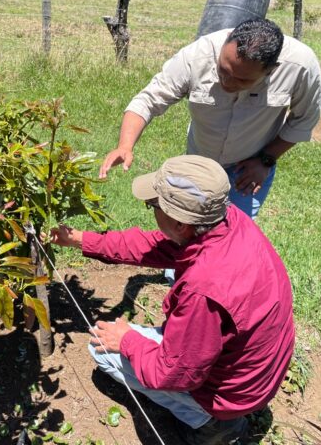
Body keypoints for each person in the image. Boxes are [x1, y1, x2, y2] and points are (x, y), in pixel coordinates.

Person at [50, 155, 295, 445]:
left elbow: (172, 374)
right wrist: (82, 239)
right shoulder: (229, 222)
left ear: (180, 223)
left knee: (102, 349)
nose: (151, 209)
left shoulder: (203, 290)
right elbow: (153, 245)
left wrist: (126, 340)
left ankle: (212, 426)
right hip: (256, 373)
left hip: (233, 396)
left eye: (153, 204)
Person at [99, 19, 321, 221]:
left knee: (231, 236)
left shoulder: (300, 66)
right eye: (223, 70)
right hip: (199, 162)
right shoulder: (198, 55)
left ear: (271, 71)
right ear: (227, 41)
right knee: (183, 227)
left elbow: (303, 121)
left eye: (241, 80)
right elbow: (148, 100)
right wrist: (125, 146)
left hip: (248, 168)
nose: (227, 81)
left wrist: (266, 159)